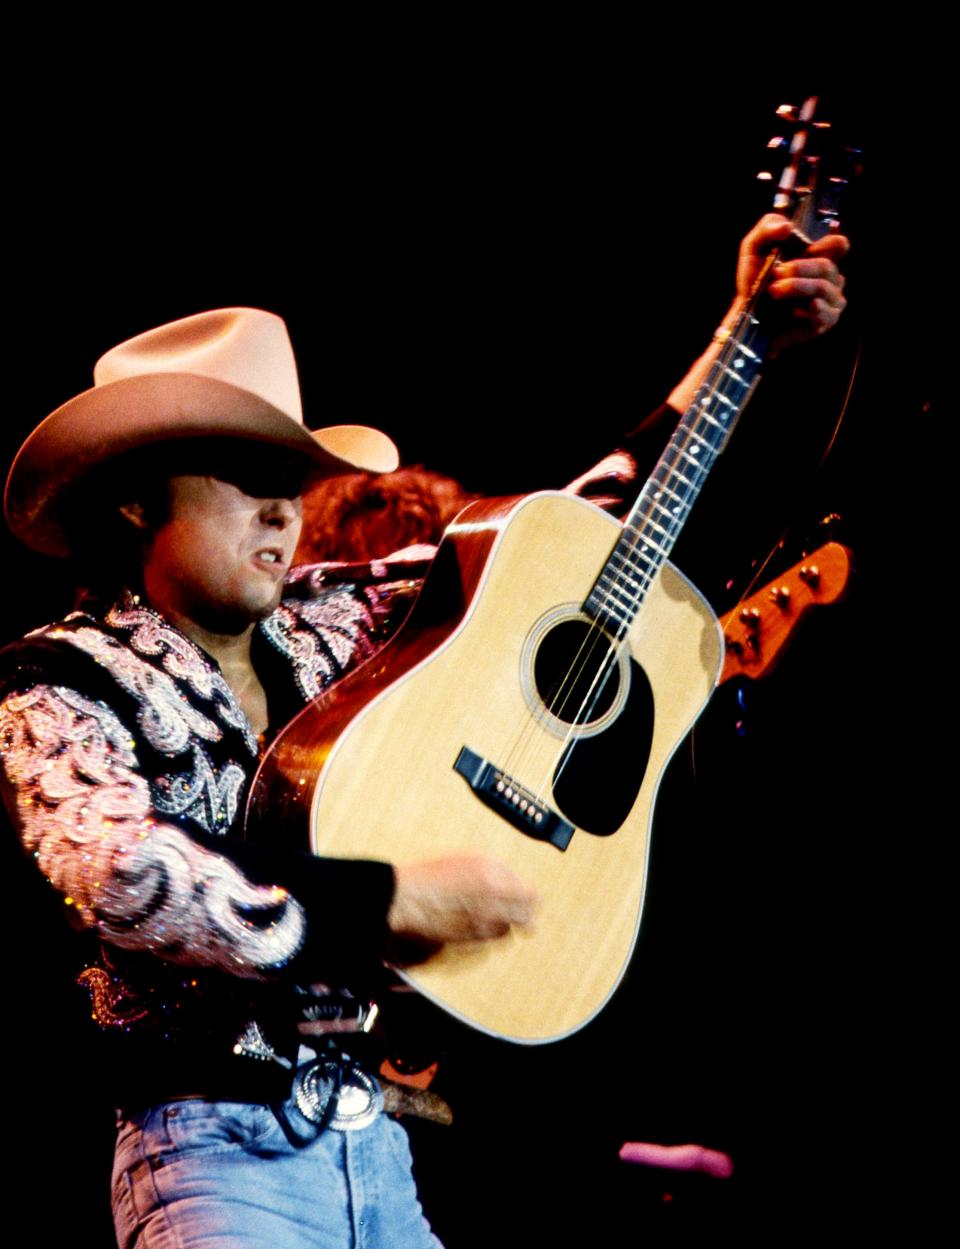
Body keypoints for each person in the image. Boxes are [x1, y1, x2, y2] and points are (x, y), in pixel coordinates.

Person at [0, 214, 847, 1247]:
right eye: (243, 476)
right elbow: (129, 879)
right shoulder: (63, 677)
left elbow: (584, 525)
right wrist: (394, 901)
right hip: (209, 1153)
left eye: (291, 482)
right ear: (137, 501)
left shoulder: (333, 621)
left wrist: (739, 343)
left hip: (375, 1151)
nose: (283, 511)